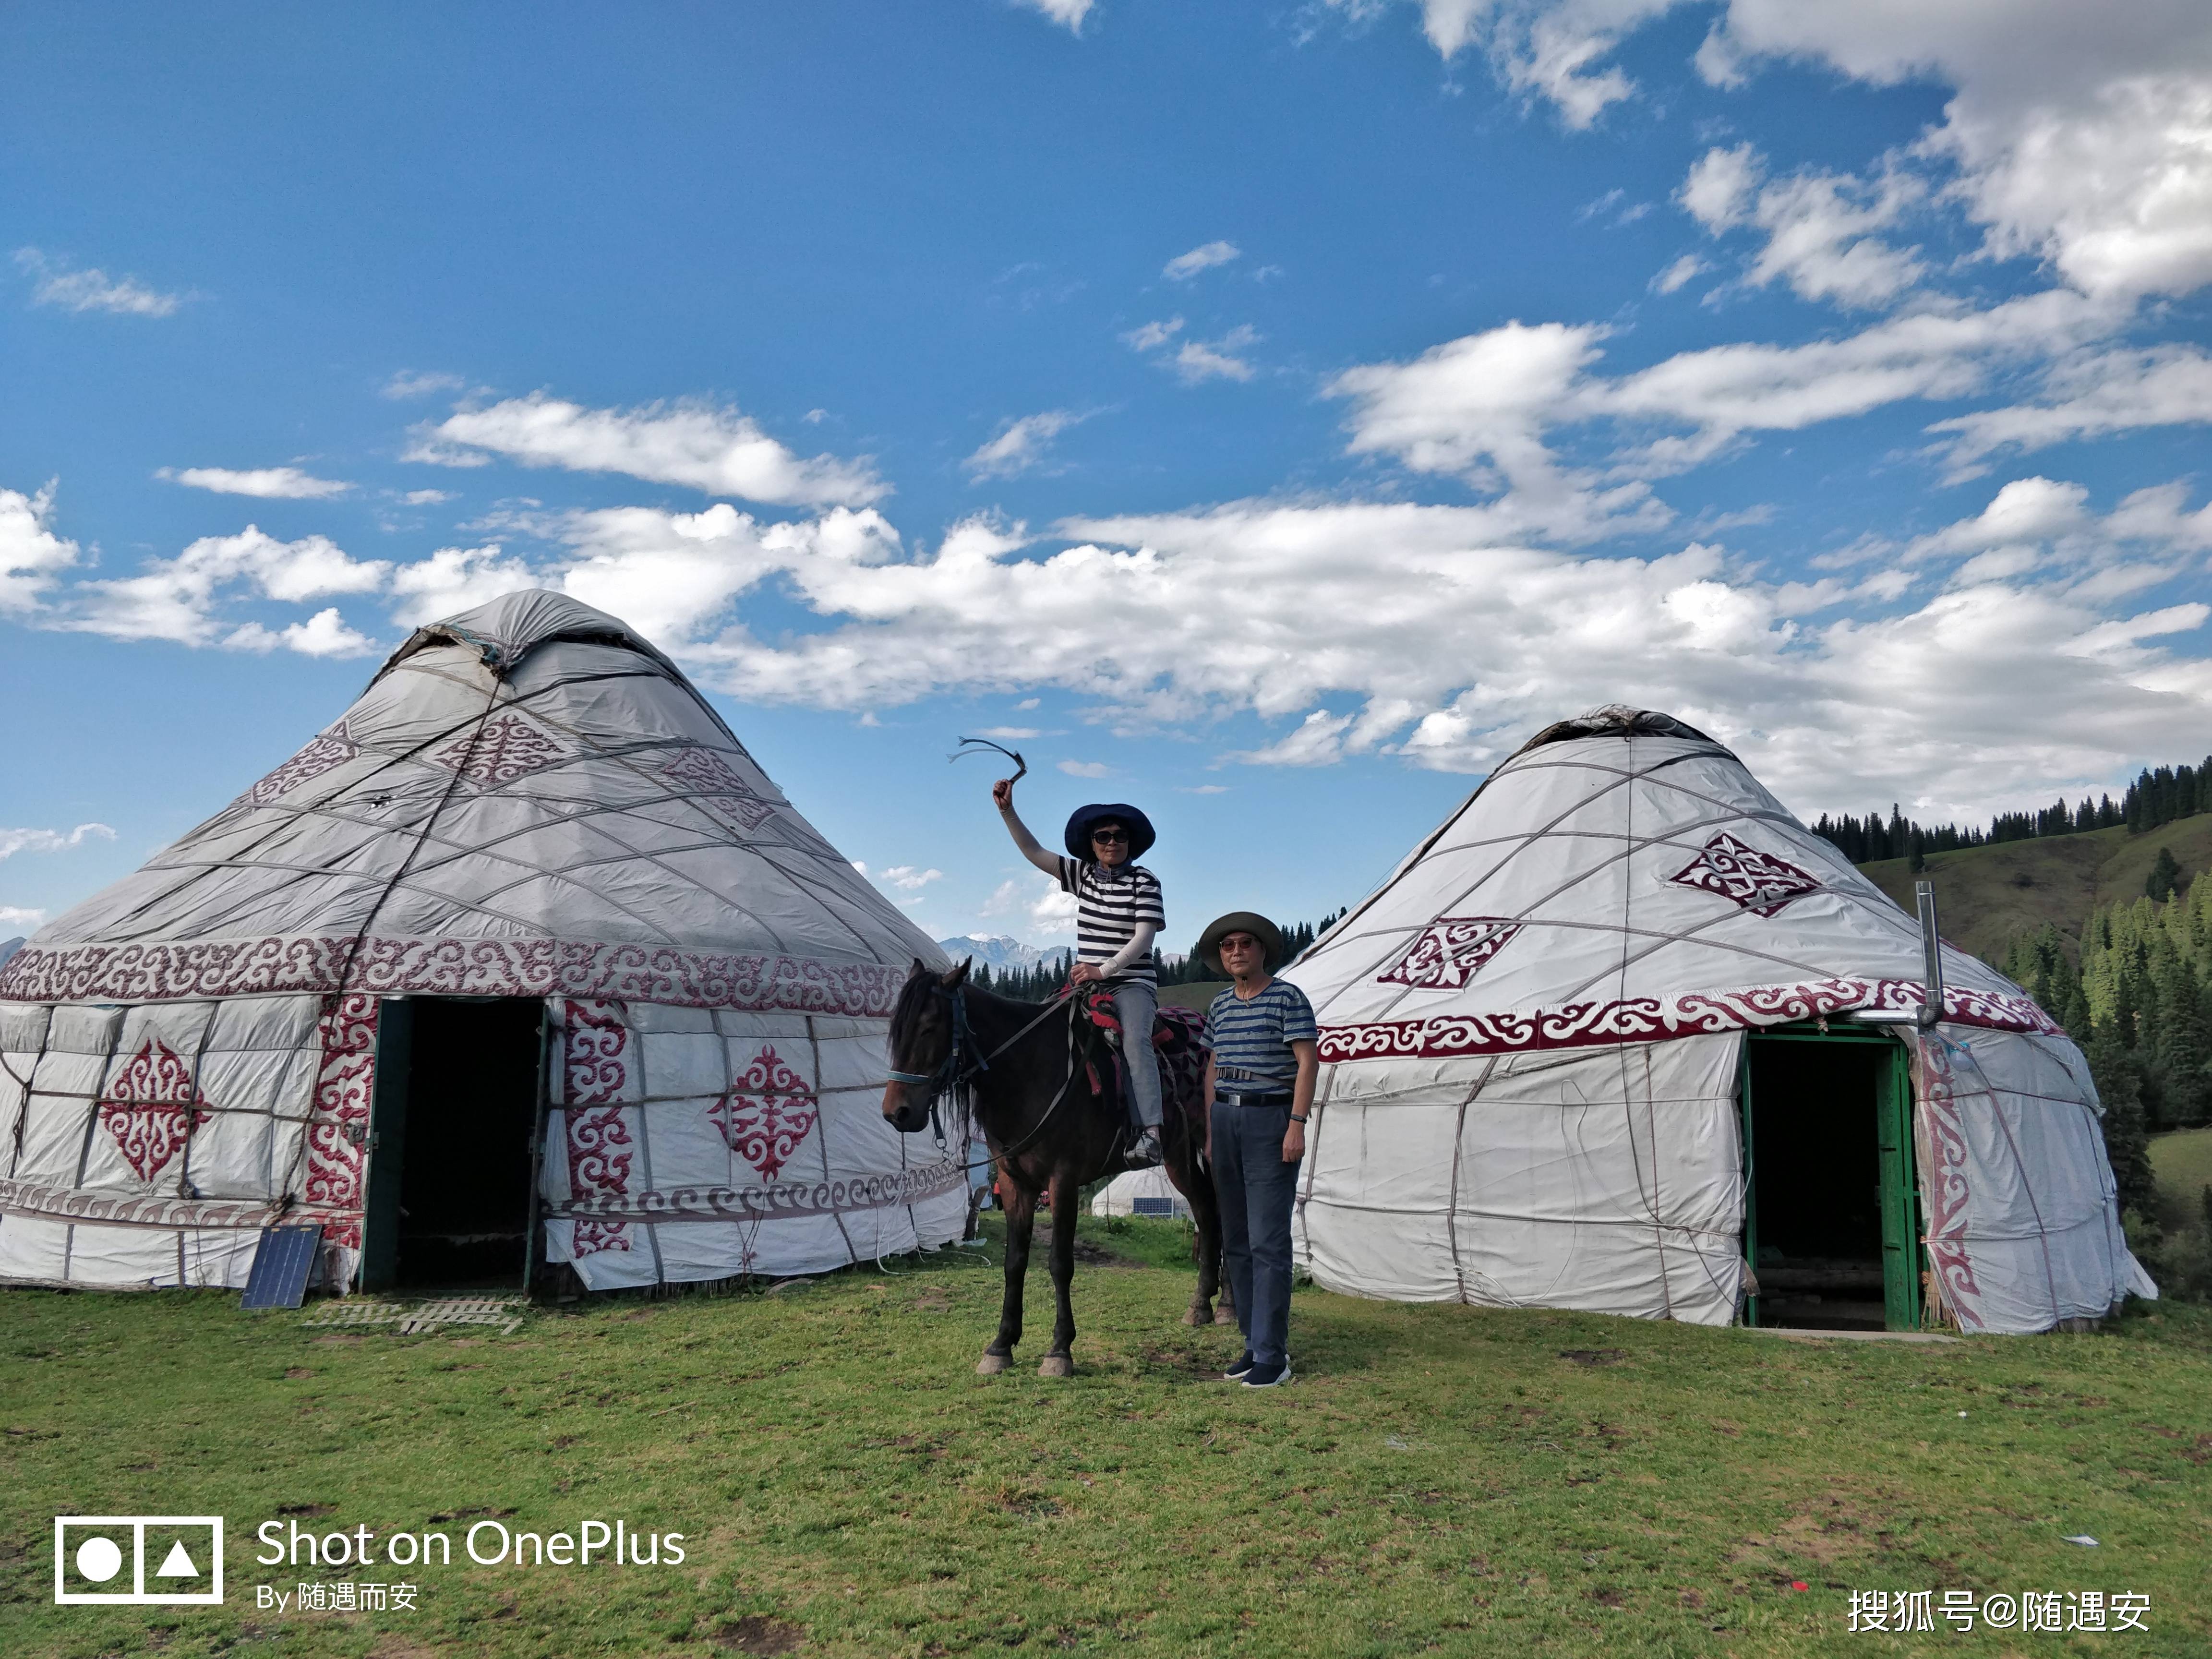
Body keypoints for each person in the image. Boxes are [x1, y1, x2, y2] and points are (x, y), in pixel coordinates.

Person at [991, 776, 1167, 1167]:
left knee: (1136, 1042)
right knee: (1039, 1034)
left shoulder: (1146, 881)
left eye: (1119, 836)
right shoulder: (1082, 875)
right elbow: (1034, 852)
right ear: (1092, 843)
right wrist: (1008, 812)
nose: (1111, 842)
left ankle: (1152, 1133)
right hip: (1087, 984)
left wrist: (1104, 971)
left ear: (1130, 842)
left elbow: (1144, 938)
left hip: (1131, 983)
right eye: (1102, 836)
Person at [1196, 910, 1317, 1389]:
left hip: (1271, 1117)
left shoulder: (1289, 997)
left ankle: (1274, 1354)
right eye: (1228, 946)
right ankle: (1252, 1342)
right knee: (1237, 1239)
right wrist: (1209, 1127)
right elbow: (1212, 1065)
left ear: (1263, 949)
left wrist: (1297, 1124)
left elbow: (1307, 1062)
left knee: (1269, 1240)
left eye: (1246, 943)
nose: (1237, 951)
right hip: (1226, 1117)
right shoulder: (1221, 1005)